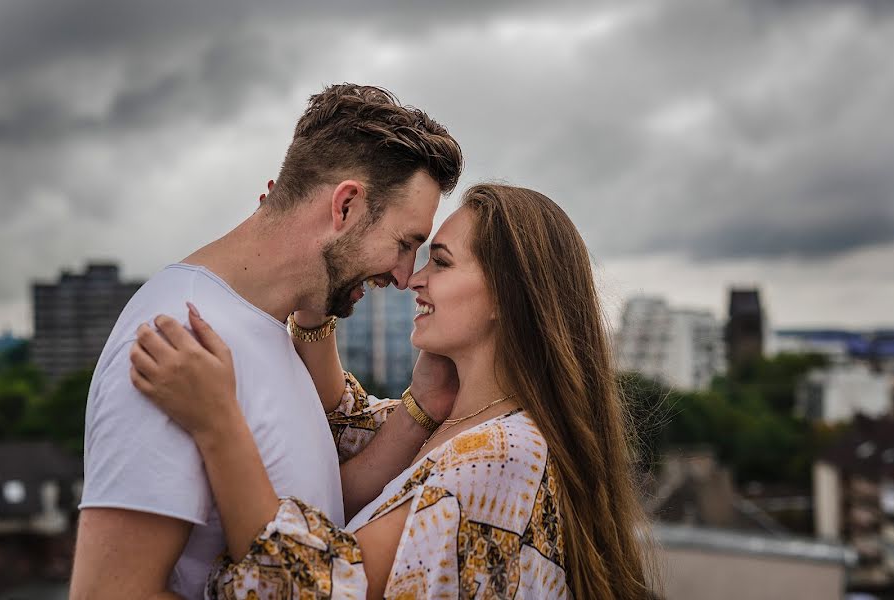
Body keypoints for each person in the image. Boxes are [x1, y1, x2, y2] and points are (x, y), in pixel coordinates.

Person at [131, 184, 655, 599]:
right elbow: (340, 426)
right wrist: (318, 281)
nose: (413, 279)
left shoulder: (503, 455)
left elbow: (307, 587)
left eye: (441, 263)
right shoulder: (466, 420)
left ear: (507, 297)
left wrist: (217, 423)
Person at [70, 84, 464, 600]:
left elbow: (317, 511)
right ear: (345, 206)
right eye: (404, 243)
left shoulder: (265, 330)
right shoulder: (179, 336)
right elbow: (110, 594)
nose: (402, 274)